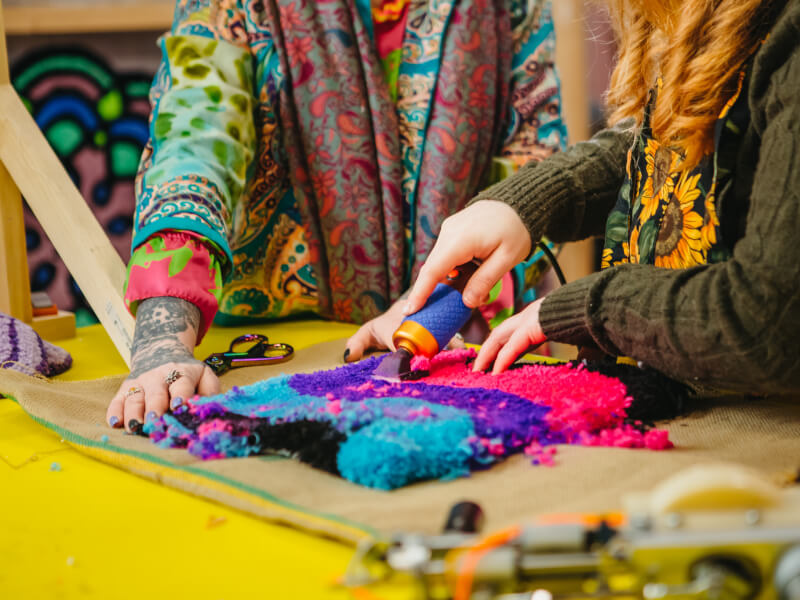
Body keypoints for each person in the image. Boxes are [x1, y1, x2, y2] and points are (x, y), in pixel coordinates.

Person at [107, 0, 567, 431]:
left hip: (458, 350)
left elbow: (538, 165)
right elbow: (195, 144)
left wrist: (429, 310)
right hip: (274, 354)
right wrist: (161, 343)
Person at [402, 0, 800, 394]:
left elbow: (768, 320)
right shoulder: (701, 17)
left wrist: (590, 308)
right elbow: (670, 144)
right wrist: (519, 205)